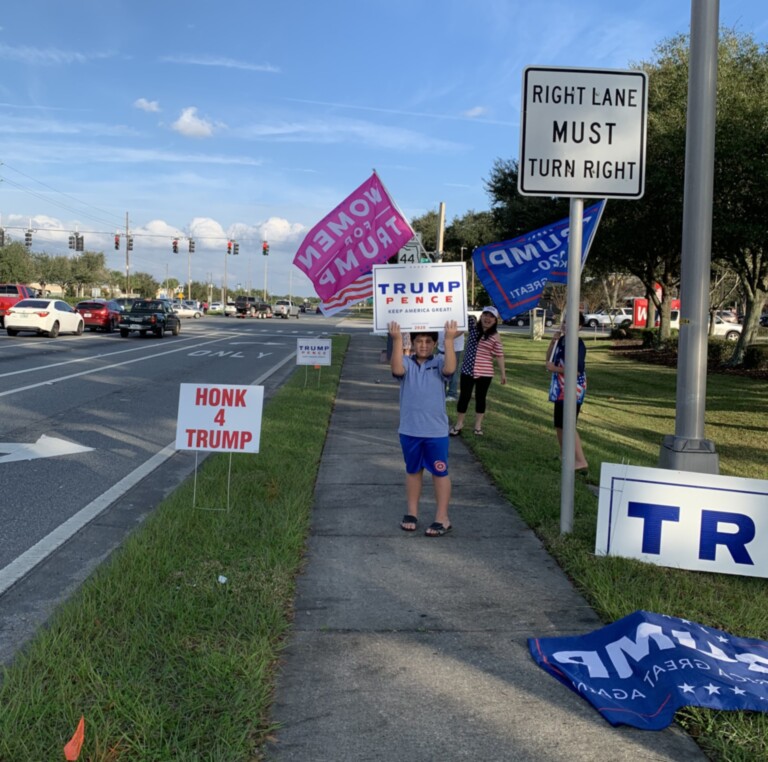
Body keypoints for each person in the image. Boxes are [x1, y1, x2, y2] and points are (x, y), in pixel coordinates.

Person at [389, 320, 459, 537]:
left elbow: (450, 368)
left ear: (435, 343)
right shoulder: (407, 363)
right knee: (413, 471)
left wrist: (448, 340)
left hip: (435, 432)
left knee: (439, 472)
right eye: (419, 341)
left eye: (429, 341)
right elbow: (396, 368)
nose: (424, 345)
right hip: (410, 430)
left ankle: (442, 517)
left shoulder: (439, 363)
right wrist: (398, 340)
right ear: (413, 342)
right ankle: (412, 512)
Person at [450, 306, 506, 436]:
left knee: (481, 398)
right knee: (464, 396)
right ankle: (459, 424)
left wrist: (503, 374)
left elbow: (499, 355)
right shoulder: (473, 327)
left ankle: (478, 426)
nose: (487, 318)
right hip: (467, 370)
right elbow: (462, 310)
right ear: (481, 316)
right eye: (485, 315)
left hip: (485, 373)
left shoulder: (495, 336)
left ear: (495, 320)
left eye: (491, 316)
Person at [545, 317, 588, 472]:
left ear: (580, 326)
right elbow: (549, 358)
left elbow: (576, 370)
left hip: (572, 388)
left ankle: (580, 460)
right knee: (559, 423)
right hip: (560, 388)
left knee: (568, 424)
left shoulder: (577, 344)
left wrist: (554, 369)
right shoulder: (562, 340)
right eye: (564, 322)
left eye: (571, 322)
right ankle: (566, 455)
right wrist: (552, 342)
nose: (566, 324)